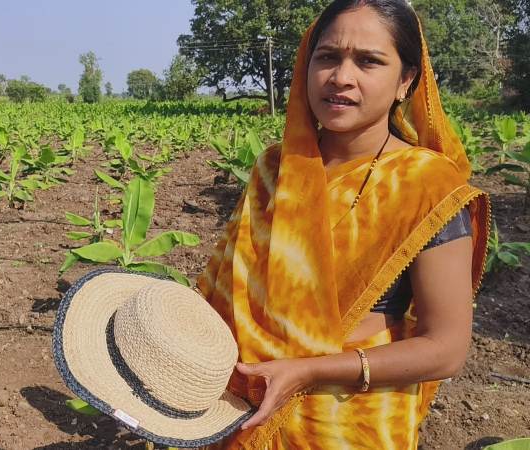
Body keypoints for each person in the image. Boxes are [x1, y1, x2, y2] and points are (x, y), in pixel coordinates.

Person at [196, 1, 491, 448]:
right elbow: (228, 291)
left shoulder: (425, 186)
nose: (341, 77)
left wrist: (309, 370)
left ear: (405, 81)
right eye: (328, 56)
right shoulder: (275, 170)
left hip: (347, 421)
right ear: (306, 65)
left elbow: (445, 349)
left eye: (369, 61)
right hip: (239, 405)